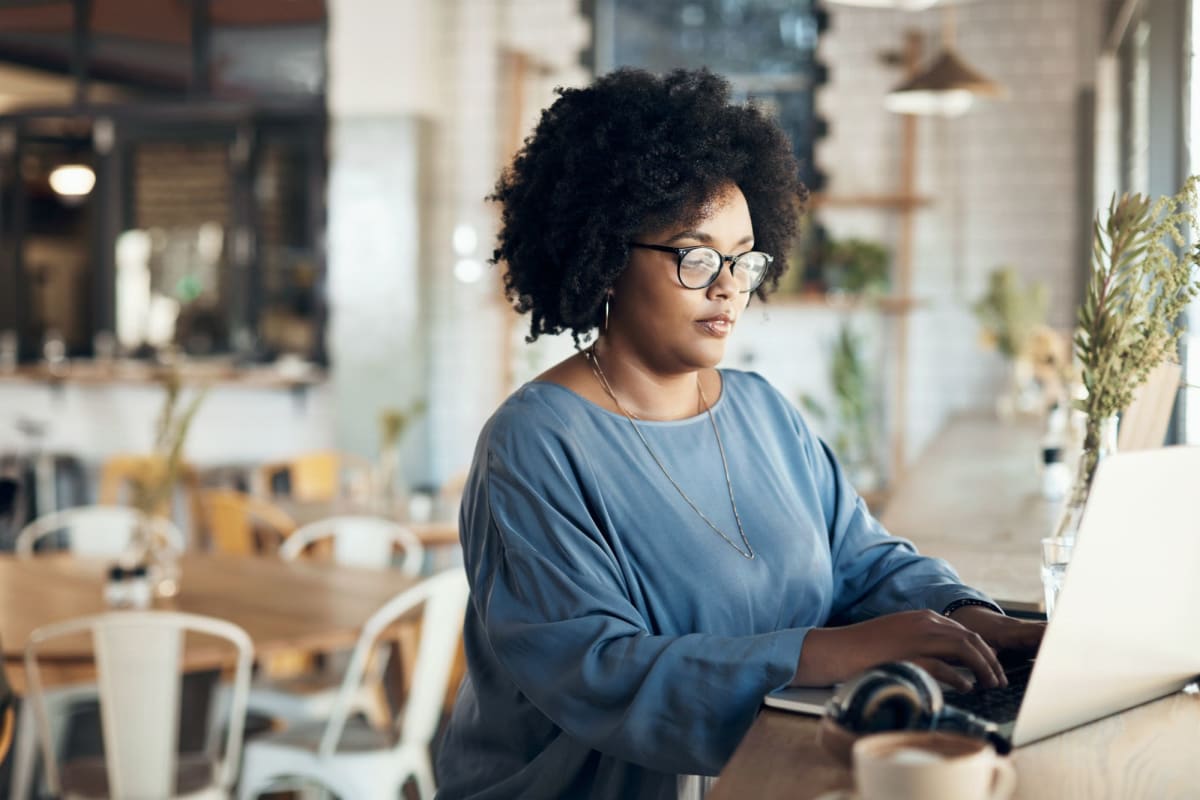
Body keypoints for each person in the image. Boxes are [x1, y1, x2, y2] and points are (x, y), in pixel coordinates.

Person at [435, 68, 1044, 800]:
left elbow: (862, 560)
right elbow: (601, 670)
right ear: (604, 255)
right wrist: (834, 651)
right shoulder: (533, 446)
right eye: (695, 256)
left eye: (744, 257)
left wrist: (968, 615)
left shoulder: (763, 412)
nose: (727, 285)